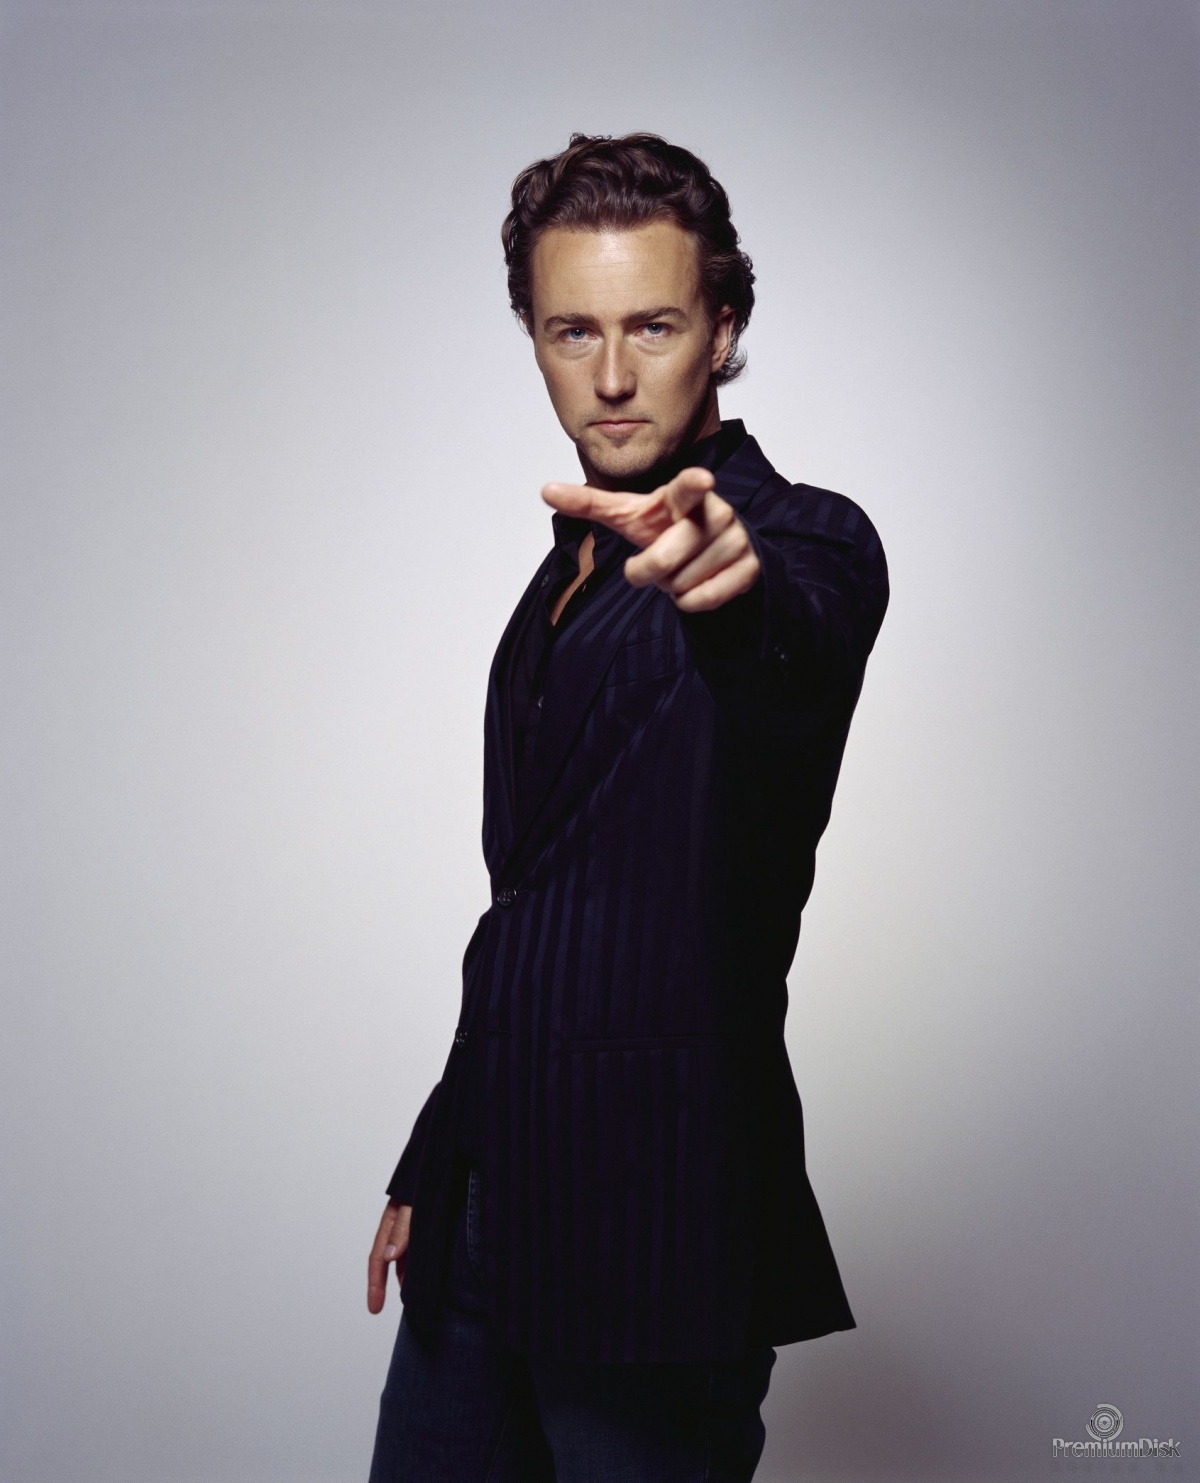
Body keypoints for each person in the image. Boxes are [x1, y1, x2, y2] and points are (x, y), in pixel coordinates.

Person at [364, 132, 889, 1483]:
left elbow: (789, 649)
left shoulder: (806, 539)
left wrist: (735, 596)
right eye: (571, 331)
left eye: (652, 325)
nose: (609, 376)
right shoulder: (562, 577)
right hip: (483, 1212)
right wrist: (436, 1152)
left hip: (656, 1224)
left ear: (725, 328)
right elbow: (535, 905)